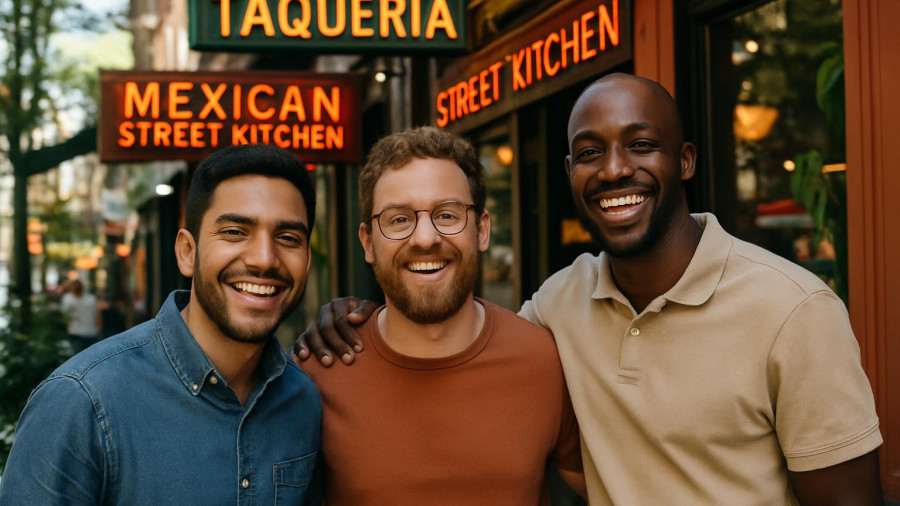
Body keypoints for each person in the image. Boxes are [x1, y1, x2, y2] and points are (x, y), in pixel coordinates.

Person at [295, 74, 883, 505]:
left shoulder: (795, 309)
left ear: (685, 161)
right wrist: (354, 314)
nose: (613, 170)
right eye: (589, 153)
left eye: (641, 145)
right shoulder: (559, 306)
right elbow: (446, 326)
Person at [0, 144, 322, 505]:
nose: (265, 259)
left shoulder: (304, 400)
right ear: (187, 252)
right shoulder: (82, 402)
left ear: (306, 261)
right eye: (234, 232)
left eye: (288, 238)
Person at [296, 126, 584, 505]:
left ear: (482, 230)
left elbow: (617, 490)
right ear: (368, 243)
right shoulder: (317, 375)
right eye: (399, 220)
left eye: (447, 215)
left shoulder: (545, 360)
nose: (425, 238)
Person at [60, 279, 101, 350]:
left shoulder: (90, 299)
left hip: (86, 332)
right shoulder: (91, 298)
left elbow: (98, 315)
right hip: (80, 332)